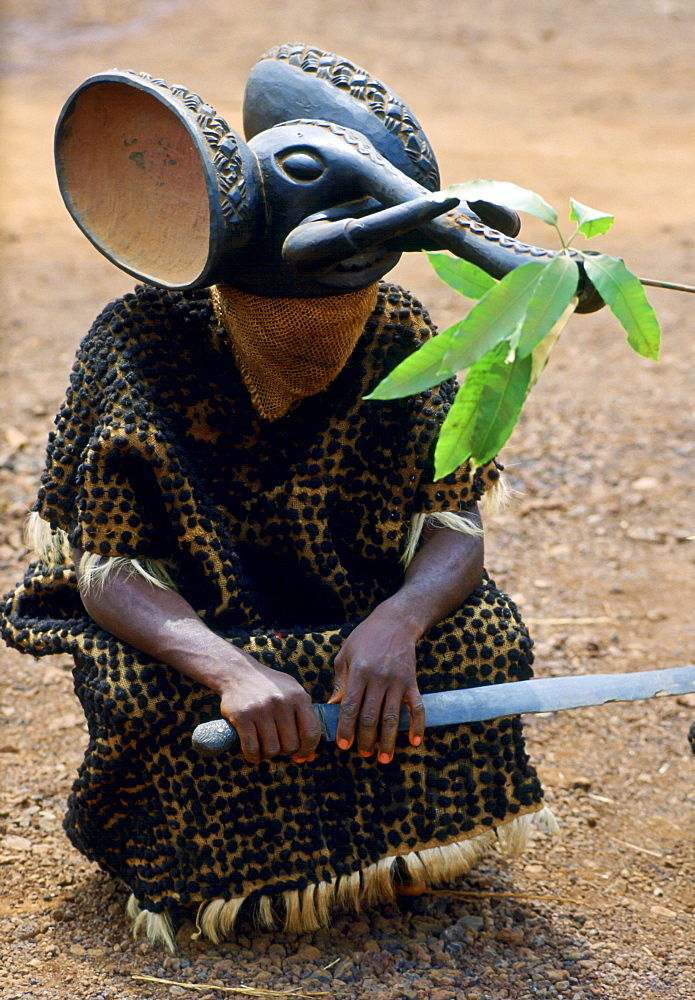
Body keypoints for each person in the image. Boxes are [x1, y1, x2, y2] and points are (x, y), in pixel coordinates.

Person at [1, 45, 556, 951]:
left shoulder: (399, 330)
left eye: (345, 313)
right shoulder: (139, 342)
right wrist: (227, 670)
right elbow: (105, 570)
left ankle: (402, 848)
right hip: (206, 632)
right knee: (148, 695)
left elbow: (453, 519)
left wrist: (401, 623)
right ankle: (219, 876)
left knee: (485, 638)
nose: (322, 338)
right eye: (291, 323)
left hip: (349, 625)